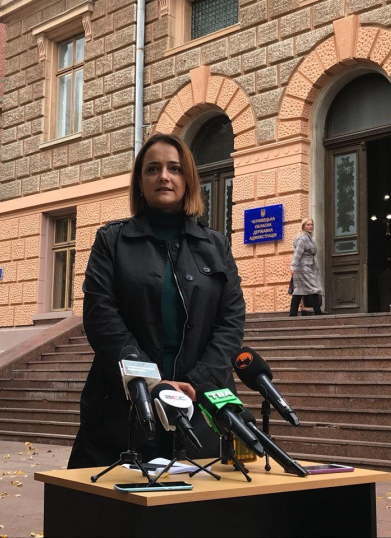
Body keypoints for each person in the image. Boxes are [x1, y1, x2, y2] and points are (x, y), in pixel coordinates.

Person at [67, 134, 246, 469]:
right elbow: (101, 316)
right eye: (153, 169)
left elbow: (231, 321)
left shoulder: (216, 245)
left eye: (174, 168)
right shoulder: (112, 241)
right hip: (124, 411)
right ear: (140, 182)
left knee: (200, 499)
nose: (164, 176)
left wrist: (194, 384)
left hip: (200, 408)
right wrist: (151, 381)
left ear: (188, 179)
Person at [289, 218, 323, 317]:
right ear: (303, 226)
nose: (310, 226)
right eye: (308, 224)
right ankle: (318, 312)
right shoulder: (302, 238)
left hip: (307, 267)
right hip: (303, 268)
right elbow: (297, 253)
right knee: (313, 288)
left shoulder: (310, 238)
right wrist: (293, 266)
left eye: (311, 224)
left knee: (299, 290)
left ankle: (292, 314)